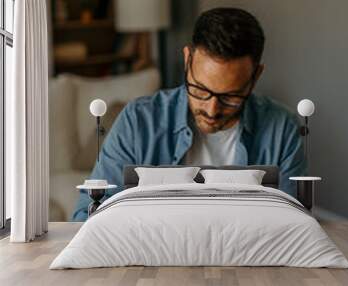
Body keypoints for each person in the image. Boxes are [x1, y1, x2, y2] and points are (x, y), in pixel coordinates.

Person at [72, 7, 307, 221]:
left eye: (231, 96)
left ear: (256, 76)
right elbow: (87, 215)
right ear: (187, 60)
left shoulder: (282, 128)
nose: (212, 109)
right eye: (200, 89)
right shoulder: (137, 120)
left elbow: (293, 221)